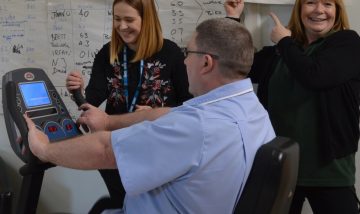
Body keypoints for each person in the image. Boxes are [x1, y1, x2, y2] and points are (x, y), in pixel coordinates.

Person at [25, 18, 275, 214]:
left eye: (189, 53)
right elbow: (170, 113)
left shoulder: (196, 127)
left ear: (207, 63)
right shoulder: (253, 110)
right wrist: (109, 121)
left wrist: (44, 148)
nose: (185, 61)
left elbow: (105, 150)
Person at [225, 0, 360, 213]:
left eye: (328, 3)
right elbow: (236, 66)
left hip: (329, 171)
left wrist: (284, 41)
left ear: (337, 11)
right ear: (299, 10)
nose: (319, 10)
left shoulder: (347, 43)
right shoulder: (281, 51)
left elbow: (315, 76)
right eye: (310, 2)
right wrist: (233, 18)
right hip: (280, 167)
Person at [66, 0, 192, 210]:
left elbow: (190, 106)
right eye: (117, 19)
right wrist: (77, 92)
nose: (122, 26)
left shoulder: (171, 53)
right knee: (121, 204)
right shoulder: (108, 53)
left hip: (156, 154)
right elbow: (92, 102)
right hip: (116, 151)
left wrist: (157, 114)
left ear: (147, 19)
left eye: (129, 19)